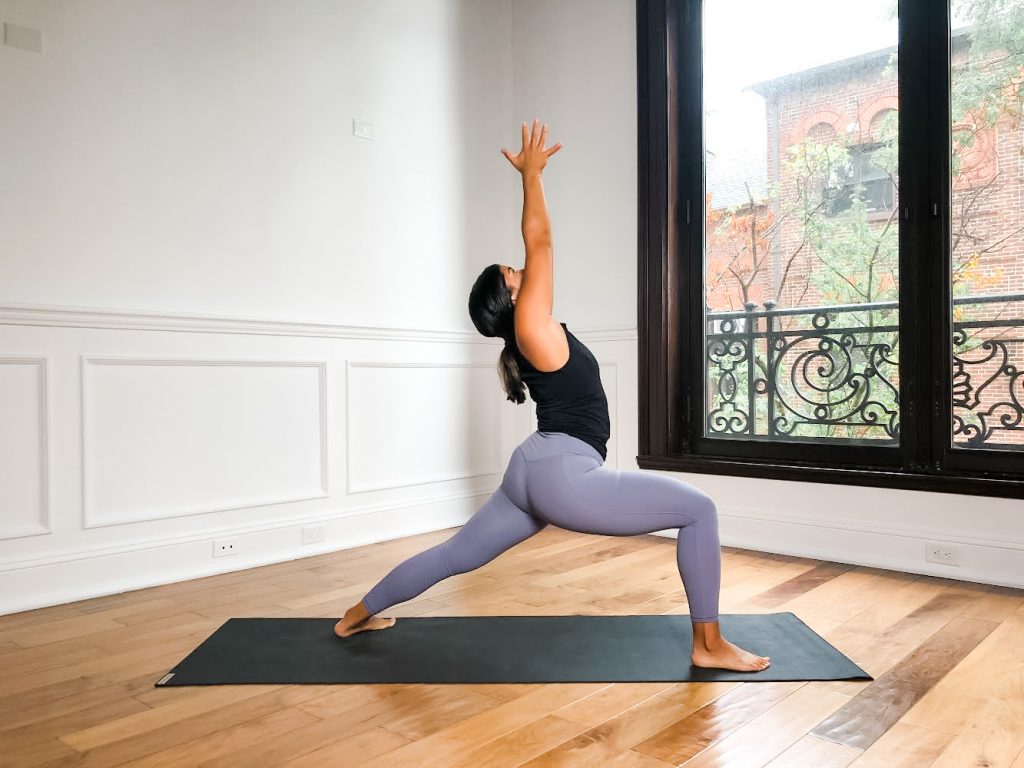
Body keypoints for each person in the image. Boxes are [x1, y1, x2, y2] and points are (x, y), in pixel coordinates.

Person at [334, 120, 770, 672]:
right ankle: (708, 645)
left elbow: (535, 253)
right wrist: (532, 177)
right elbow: (538, 241)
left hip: (531, 471)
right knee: (699, 510)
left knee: (454, 556)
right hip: (562, 473)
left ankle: (355, 614)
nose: (524, 270)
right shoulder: (531, 329)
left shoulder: (527, 339)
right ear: (510, 297)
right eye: (513, 273)